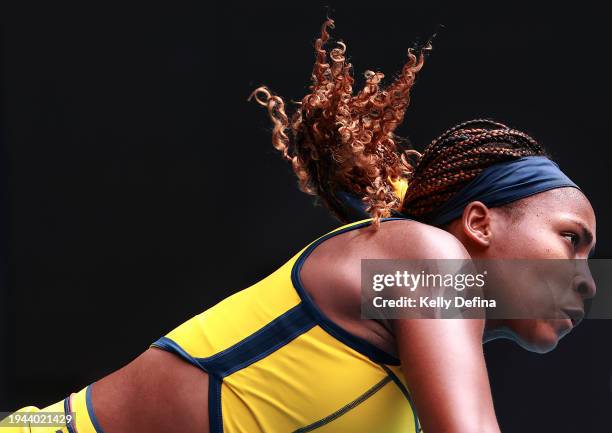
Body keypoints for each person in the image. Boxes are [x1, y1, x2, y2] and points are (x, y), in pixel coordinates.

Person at [2, 18, 596, 433]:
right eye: (571, 238)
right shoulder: (427, 258)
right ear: (478, 223)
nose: (589, 280)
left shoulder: (413, 385)